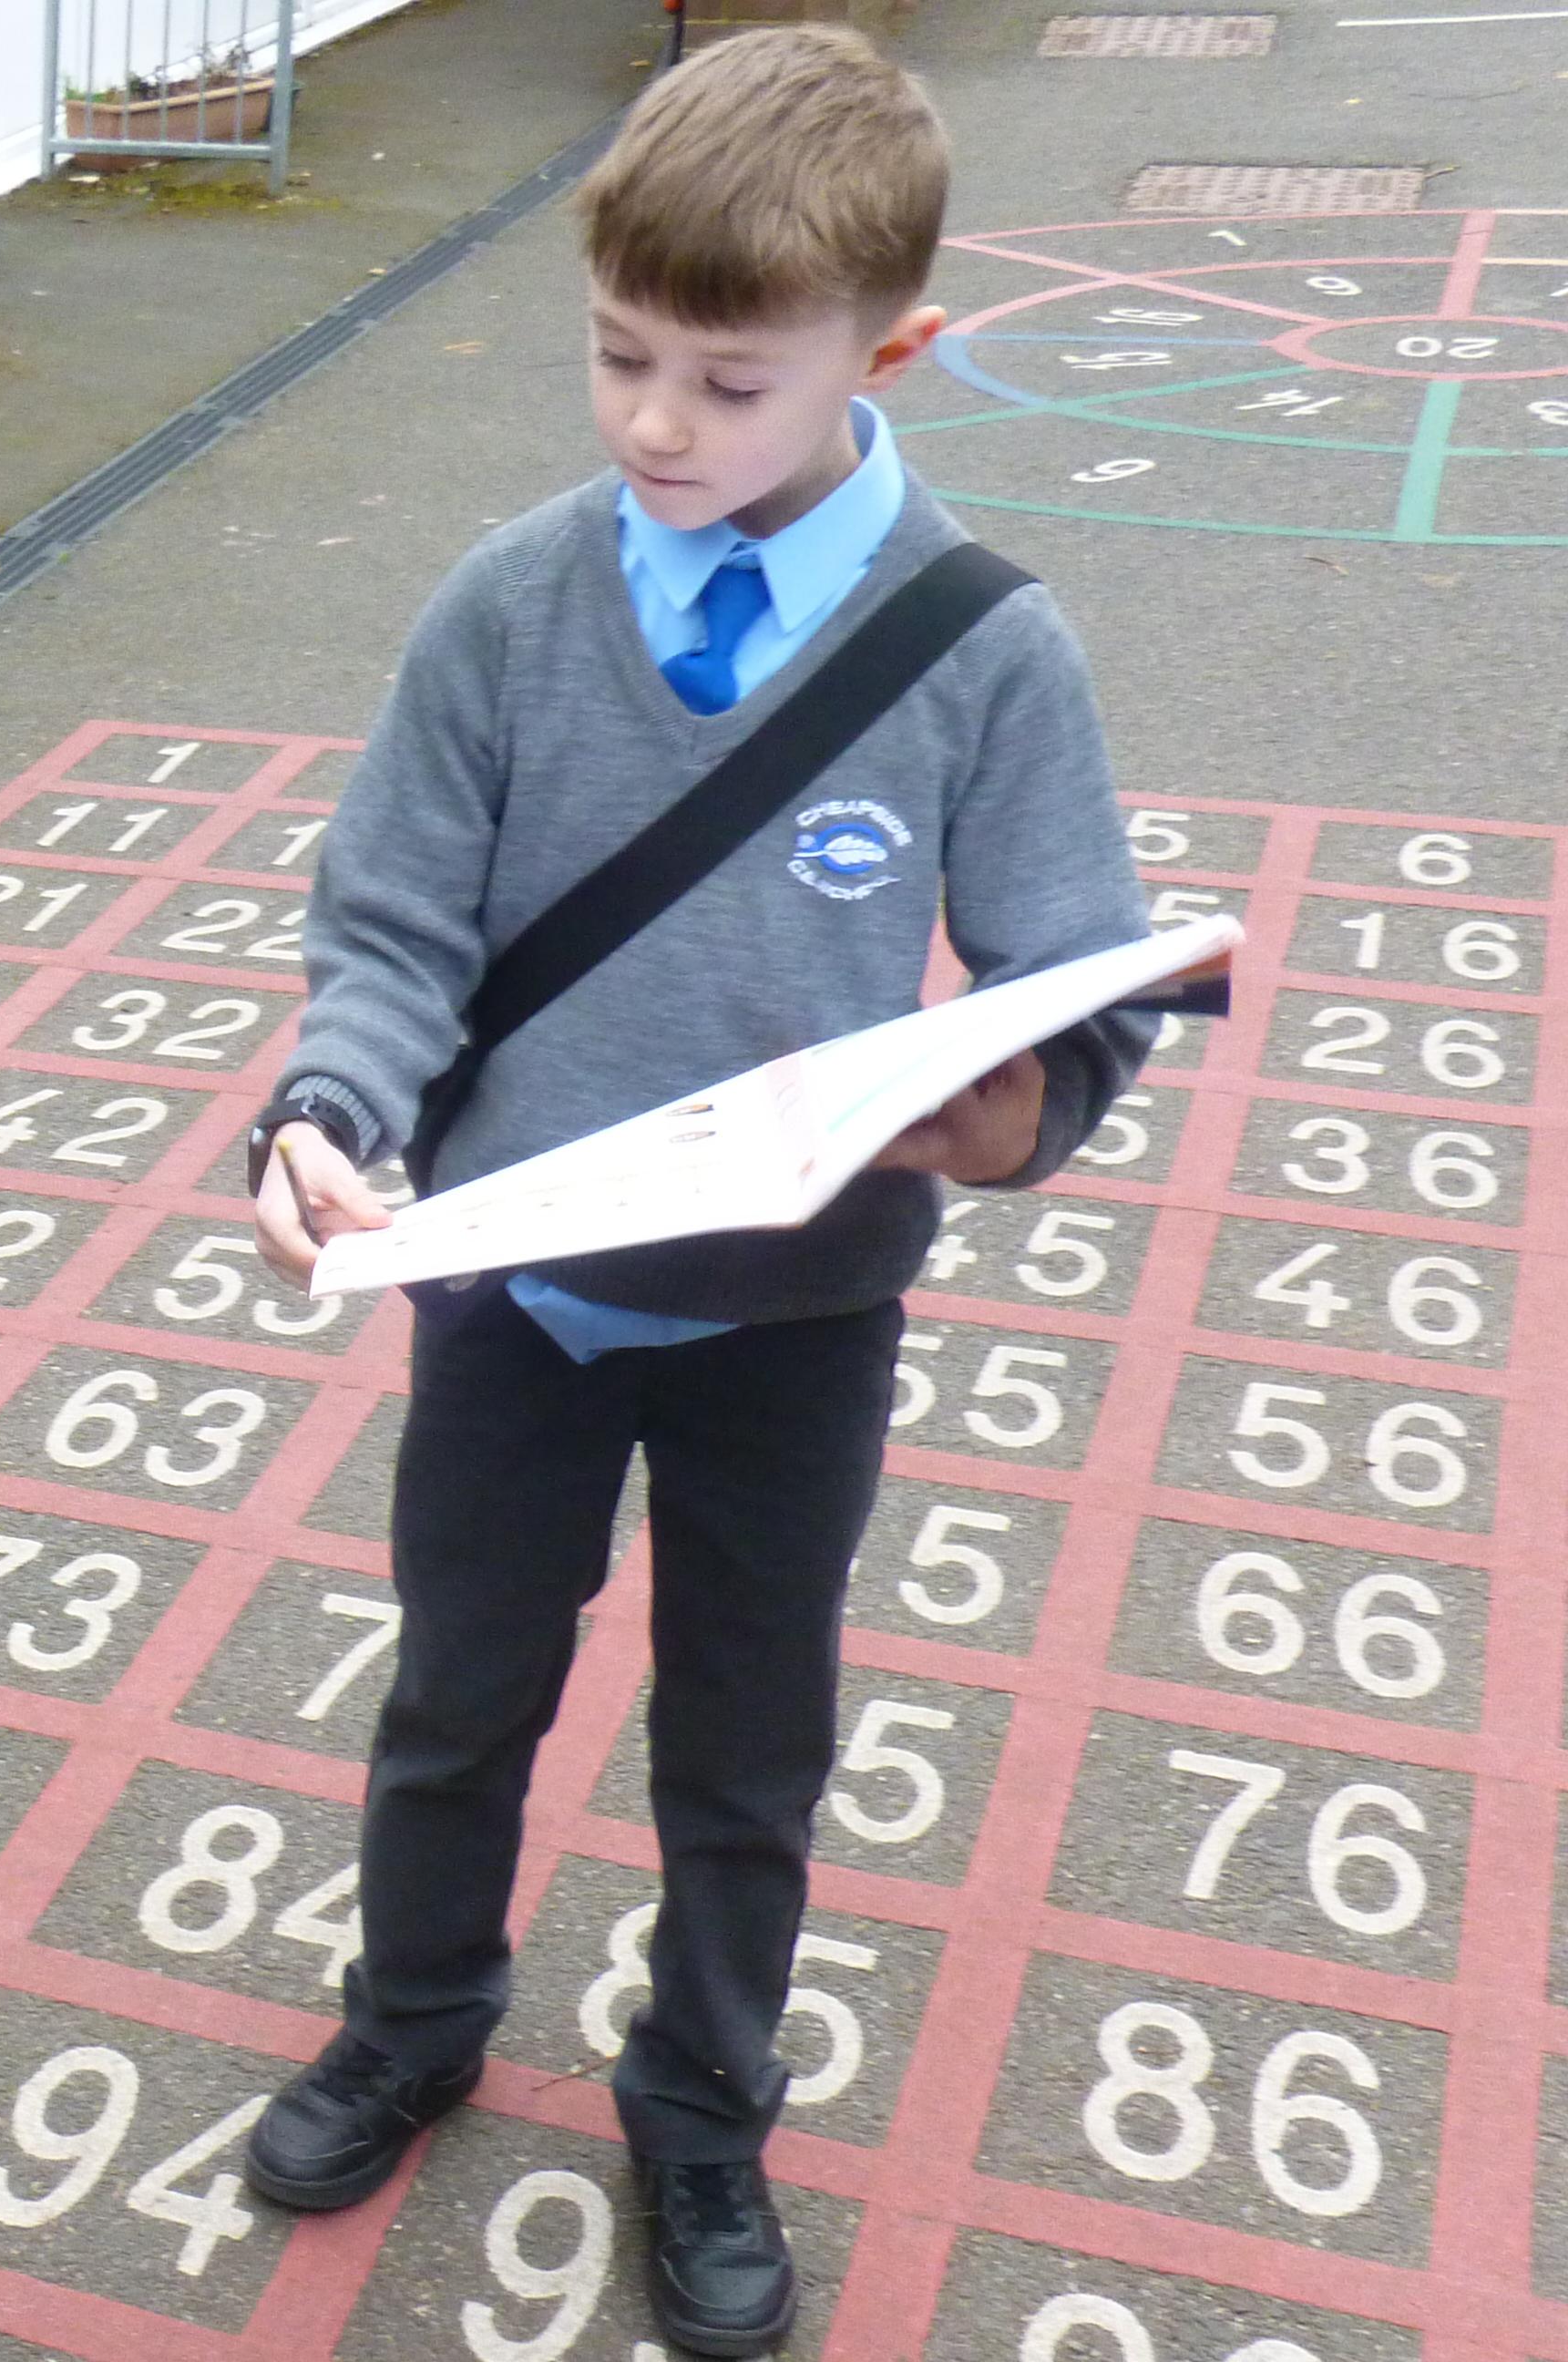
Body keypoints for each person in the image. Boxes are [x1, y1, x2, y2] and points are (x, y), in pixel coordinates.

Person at [227, 30, 1151, 2357]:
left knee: (748, 1744)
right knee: (460, 1692)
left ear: (890, 353)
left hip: (796, 1317)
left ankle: (707, 2099)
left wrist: (1011, 1113)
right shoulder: (510, 602)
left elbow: (1079, 970)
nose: (656, 423)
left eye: (730, 382)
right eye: (618, 354)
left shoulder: (984, 646)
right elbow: (396, 925)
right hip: (514, 1293)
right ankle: (415, 2020)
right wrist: (329, 1108)